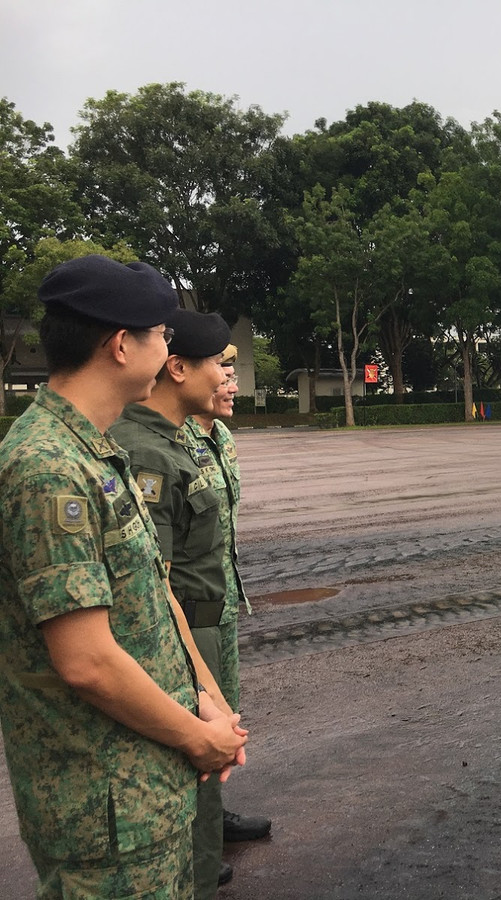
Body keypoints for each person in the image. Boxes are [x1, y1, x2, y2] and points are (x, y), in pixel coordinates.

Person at [0, 254, 247, 898]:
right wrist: (200, 740)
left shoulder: (99, 449)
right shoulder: (48, 467)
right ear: (119, 346)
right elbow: (85, 662)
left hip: (146, 787)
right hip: (103, 805)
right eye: (161, 334)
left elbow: (156, 587)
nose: (170, 347)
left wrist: (208, 694)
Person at [110, 308, 241, 897]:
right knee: (191, 776)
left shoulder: (174, 442)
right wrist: (194, 679)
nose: (225, 375)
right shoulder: (147, 454)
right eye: (217, 363)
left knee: (206, 779)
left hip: (203, 628)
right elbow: (150, 584)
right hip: (181, 636)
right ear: (178, 368)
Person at [185, 345, 273, 845]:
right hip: (189, 608)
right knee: (197, 711)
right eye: (222, 371)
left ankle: (212, 819)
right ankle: (196, 838)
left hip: (221, 601)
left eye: (233, 371)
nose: (231, 383)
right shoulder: (167, 444)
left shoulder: (219, 436)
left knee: (225, 705)